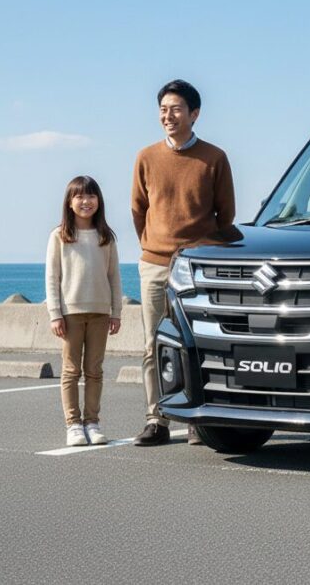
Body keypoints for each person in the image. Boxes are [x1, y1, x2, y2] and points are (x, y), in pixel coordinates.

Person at [131, 79, 236, 446]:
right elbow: (138, 210)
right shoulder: (146, 157)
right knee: (152, 344)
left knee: (198, 343)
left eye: (175, 109)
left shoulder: (214, 158)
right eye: (163, 110)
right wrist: (154, 248)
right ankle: (155, 418)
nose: (168, 116)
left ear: (194, 113)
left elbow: (227, 216)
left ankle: (195, 418)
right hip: (156, 264)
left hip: (199, 265)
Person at [45, 175, 123, 447]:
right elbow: (52, 277)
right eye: (79, 196)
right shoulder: (60, 236)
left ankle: (92, 421)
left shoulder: (106, 236)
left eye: (90, 196)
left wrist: (116, 312)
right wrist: (55, 313)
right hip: (70, 313)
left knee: (94, 370)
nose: (85, 201)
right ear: (69, 202)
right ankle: (73, 424)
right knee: (70, 371)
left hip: (100, 312)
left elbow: (114, 277)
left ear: (99, 201)